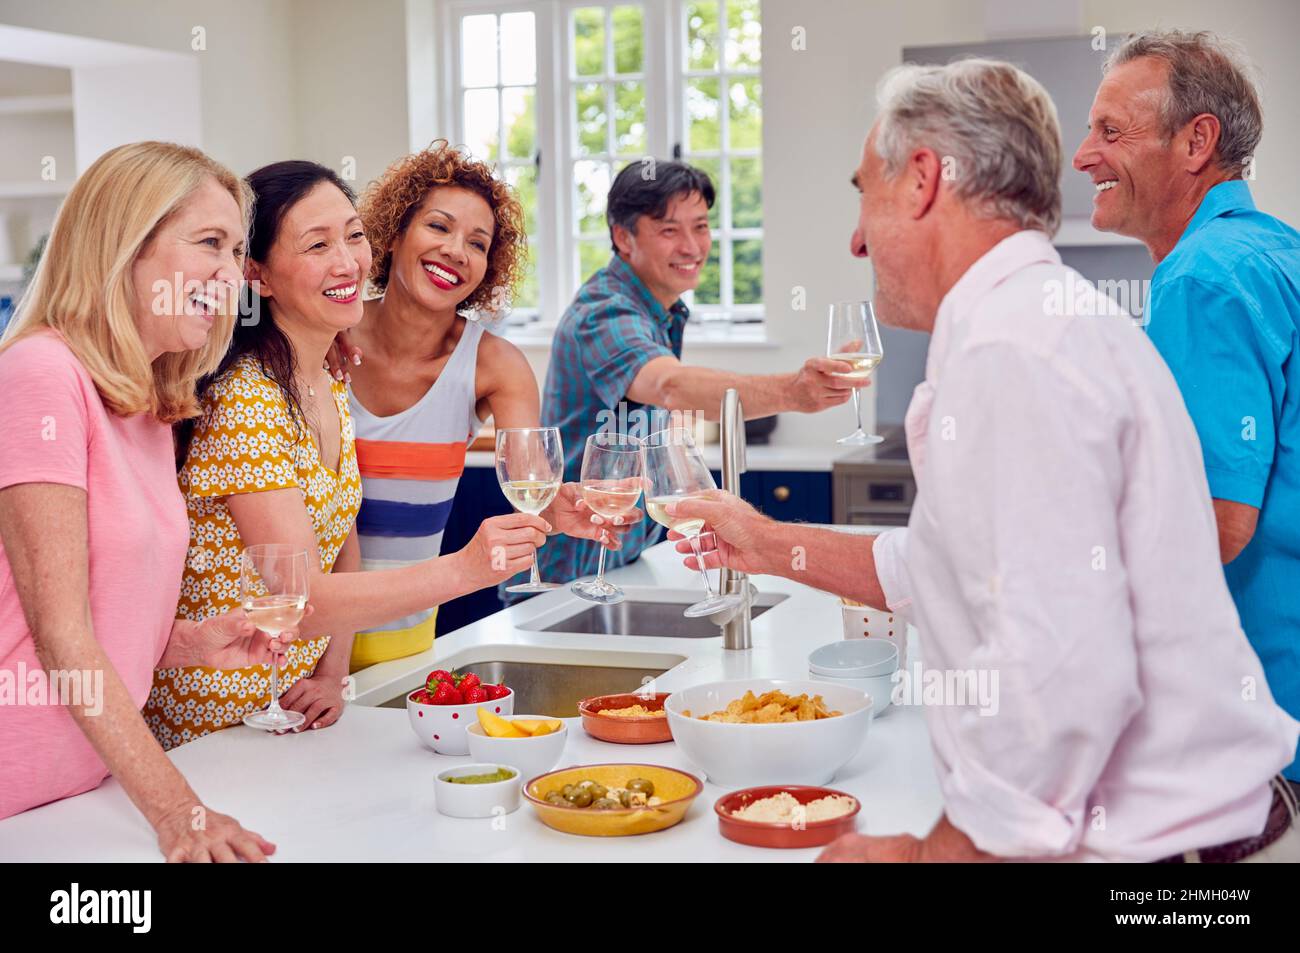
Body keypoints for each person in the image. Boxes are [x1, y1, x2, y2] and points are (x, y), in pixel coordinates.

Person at [667, 59, 1300, 862]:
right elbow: (938, 565)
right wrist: (760, 540)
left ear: (924, 179)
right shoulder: (1041, 322)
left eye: (864, 191)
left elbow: (1063, 677)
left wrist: (932, 855)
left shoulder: (1013, 352)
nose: (857, 236)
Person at [144, 160, 553, 747]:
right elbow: (300, 598)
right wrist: (466, 568)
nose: (347, 262)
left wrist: (332, 672)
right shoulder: (245, 398)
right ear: (256, 274)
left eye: (353, 235)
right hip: (213, 728)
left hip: (287, 712)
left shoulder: (327, 378)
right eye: (317, 245)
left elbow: (342, 537)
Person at [0, 141, 294, 861]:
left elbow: (98, 608)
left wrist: (185, 644)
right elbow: (58, 635)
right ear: (124, 247)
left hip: (84, 793)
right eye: (210, 244)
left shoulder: (146, 400)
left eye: (236, 250)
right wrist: (178, 811)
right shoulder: (42, 374)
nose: (233, 275)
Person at [1073, 29, 1300, 795]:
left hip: (1267, 719)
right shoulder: (1273, 250)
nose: (1082, 155)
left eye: (1111, 131)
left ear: (1196, 141)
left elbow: (1214, 523)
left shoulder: (1200, 278)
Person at [336, 142, 637, 659]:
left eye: (478, 244)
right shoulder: (328, 336)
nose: (457, 251)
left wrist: (556, 507)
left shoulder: (495, 365)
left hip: (404, 640)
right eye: (438, 227)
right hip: (303, 639)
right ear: (393, 233)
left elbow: (531, 475)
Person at [526, 160, 868, 598]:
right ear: (622, 238)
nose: (692, 246)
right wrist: (793, 392)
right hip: (569, 577)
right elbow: (670, 386)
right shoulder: (606, 311)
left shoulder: (659, 310)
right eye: (669, 230)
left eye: (701, 226)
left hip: (620, 564)